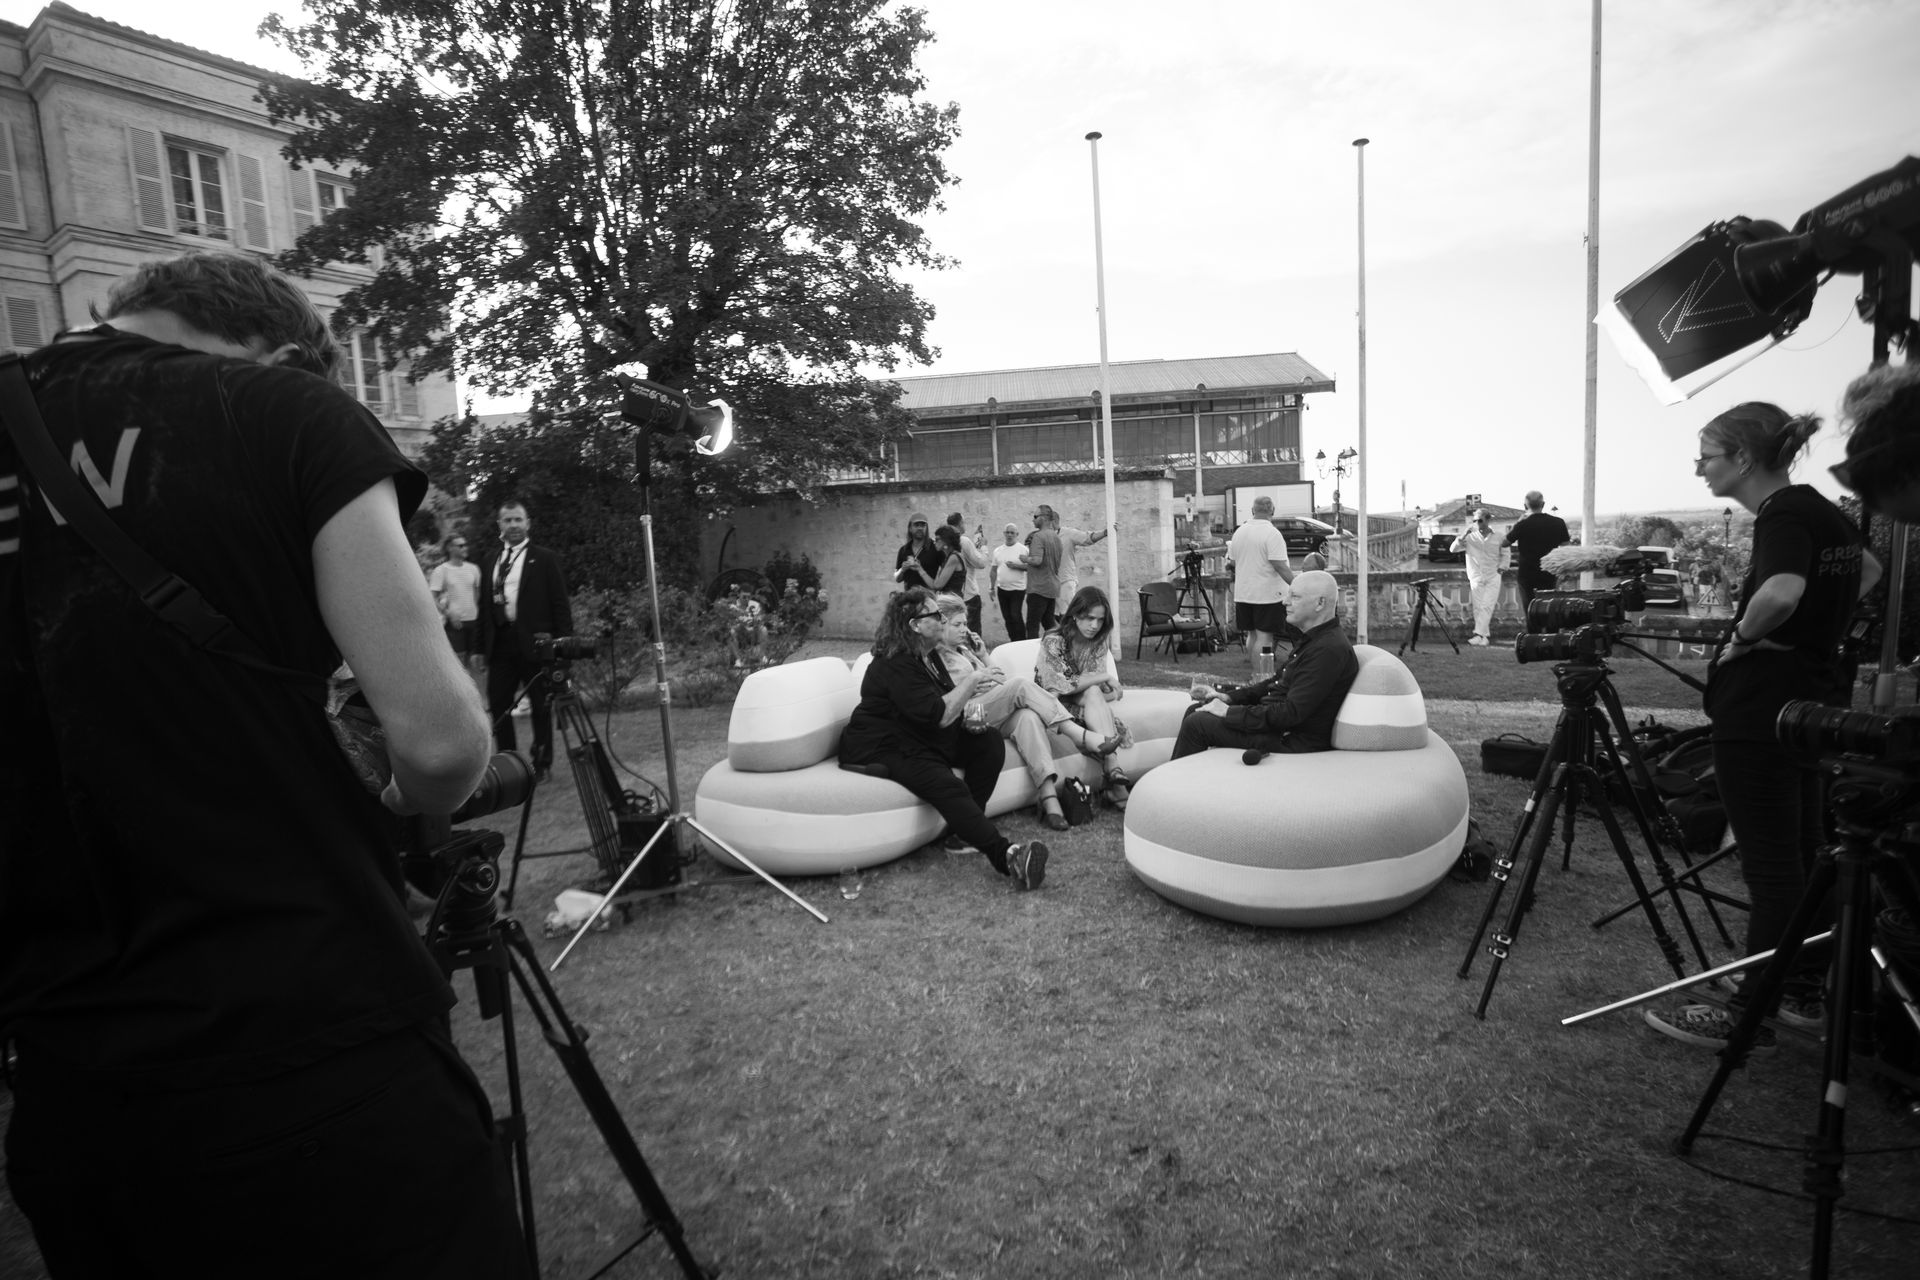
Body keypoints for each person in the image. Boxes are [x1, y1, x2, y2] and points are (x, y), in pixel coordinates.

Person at [0, 251, 524, 1275]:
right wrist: (409, 793)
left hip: (74, 1093)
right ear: (284, 356)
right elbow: (440, 742)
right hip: (312, 1042)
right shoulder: (279, 410)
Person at [1645, 403, 1880, 1053]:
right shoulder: (1820, 508)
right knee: (1806, 855)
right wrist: (1817, 633)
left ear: (1744, 458)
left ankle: (1752, 1013)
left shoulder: (1782, 513)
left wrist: (1743, 639)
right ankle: (1800, 991)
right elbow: (1869, 571)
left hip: (1761, 711)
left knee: (1773, 868)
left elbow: (1779, 592)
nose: (1699, 470)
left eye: (1706, 457)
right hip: (1809, 706)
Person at [837, 589, 1048, 888]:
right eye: (935, 615)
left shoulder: (928, 656)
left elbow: (944, 706)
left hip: (919, 734)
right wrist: (973, 679)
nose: (942, 620)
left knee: (987, 742)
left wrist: (970, 719)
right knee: (947, 784)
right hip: (883, 745)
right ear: (915, 625)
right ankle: (1008, 856)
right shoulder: (895, 663)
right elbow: (940, 715)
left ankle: (963, 835)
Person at [931, 594, 1121, 830]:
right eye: (957, 624)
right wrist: (974, 682)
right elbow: (948, 697)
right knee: (1020, 684)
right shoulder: (935, 657)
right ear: (939, 624)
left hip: (990, 710)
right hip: (969, 714)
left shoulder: (965, 650)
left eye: (964, 624)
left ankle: (1049, 798)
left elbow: (999, 679)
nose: (964, 629)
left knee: (1028, 717)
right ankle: (1078, 735)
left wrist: (983, 657)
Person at [1174, 570, 1358, 760]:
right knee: (1197, 710)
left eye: (1294, 596)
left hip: (1290, 740)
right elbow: (1273, 684)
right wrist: (1228, 697)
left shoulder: (1328, 650)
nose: (1285, 601)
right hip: (1276, 728)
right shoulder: (1315, 641)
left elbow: (1291, 713)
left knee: (1197, 723)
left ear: (1320, 603)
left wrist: (1229, 712)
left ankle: (1176, 779)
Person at [478, 500, 572, 782]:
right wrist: (480, 647)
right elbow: (484, 607)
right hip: (501, 644)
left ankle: (541, 764)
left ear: (528, 523)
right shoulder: (489, 560)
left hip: (536, 644)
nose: (513, 525)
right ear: (500, 525)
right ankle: (509, 766)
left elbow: (560, 605)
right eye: (508, 520)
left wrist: (563, 646)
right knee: (499, 706)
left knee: (541, 705)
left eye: (518, 519)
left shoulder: (544, 558)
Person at [1036, 586, 1134, 810]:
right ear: (1075, 614)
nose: (1095, 625)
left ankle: (1111, 767)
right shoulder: (1054, 641)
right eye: (1089, 618)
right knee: (1092, 694)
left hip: (1082, 700)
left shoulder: (1098, 641)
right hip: (1052, 704)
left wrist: (1100, 684)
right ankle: (1113, 772)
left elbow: (1093, 688)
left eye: (1100, 620)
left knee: (1093, 692)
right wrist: (1104, 677)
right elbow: (1059, 685)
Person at [1226, 495, 1293, 674]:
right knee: (1265, 638)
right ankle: (1263, 676)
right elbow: (1280, 565)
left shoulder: (1239, 532)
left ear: (1252, 511)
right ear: (1272, 511)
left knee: (1252, 634)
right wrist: (1297, 585)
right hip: (1267, 594)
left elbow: (1233, 562)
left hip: (1243, 592)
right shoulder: (1272, 534)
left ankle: (1256, 675)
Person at [1500, 490, 1570, 612]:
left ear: (1525, 506)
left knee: (1531, 608)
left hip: (1527, 574)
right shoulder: (1558, 522)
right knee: (1549, 608)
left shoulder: (1522, 524)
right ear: (1543, 504)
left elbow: (1504, 543)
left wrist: (1518, 523)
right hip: (1549, 571)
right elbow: (1566, 547)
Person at [429, 531, 485, 677]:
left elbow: (479, 595)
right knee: (459, 666)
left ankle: (477, 692)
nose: (465, 548)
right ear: (449, 548)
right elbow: (431, 598)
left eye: (465, 545)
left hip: (475, 622)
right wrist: (449, 614)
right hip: (455, 623)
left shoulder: (474, 568)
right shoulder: (441, 570)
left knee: (477, 663)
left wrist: (482, 617)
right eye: (460, 545)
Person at [1449, 509, 1503, 645]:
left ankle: (1479, 634)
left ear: (1487, 520)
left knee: (1487, 606)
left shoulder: (1499, 536)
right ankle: (1483, 637)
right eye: (1475, 520)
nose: (1477, 523)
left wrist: (1503, 566)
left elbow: (1505, 553)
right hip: (1476, 576)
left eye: (1480, 520)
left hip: (1493, 575)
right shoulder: (1469, 537)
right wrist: (1463, 535)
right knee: (1478, 607)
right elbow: (1453, 549)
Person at [1020, 504, 1065, 637]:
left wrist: (1025, 559)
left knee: (1032, 625)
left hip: (1038, 588)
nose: (1033, 520)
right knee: (1048, 623)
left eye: (1035, 516)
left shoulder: (1038, 536)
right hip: (1052, 587)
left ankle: (1031, 650)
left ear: (1044, 518)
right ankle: (1059, 645)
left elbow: (1037, 560)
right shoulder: (1056, 537)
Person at [946, 511, 991, 634]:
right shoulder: (963, 541)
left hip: (951, 596)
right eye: (964, 522)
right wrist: (983, 547)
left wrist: (975, 546)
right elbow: (981, 563)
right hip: (968, 595)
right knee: (972, 634)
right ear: (960, 523)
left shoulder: (944, 541)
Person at [1056, 512, 1115, 604]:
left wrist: (1105, 532)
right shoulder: (1042, 535)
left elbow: (1087, 537)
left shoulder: (1067, 533)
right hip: (1050, 583)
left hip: (1065, 581)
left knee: (1065, 611)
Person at [989, 521, 1030, 642]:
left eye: (1012, 533)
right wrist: (991, 587)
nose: (1009, 535)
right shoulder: (998, 551)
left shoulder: (1023, 550)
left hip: (1018, 589)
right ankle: (1013, 641)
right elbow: (993, 570)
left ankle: (1021, 641)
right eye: (1007, 532)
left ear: (1017, 534)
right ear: (1004, 534)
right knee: (1007, 617)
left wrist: (1016, 566)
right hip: (1002, 589)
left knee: (1015, 615)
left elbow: (1031, 568)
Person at [892, 511, 942, 588]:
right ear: (910, 528)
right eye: (916, 525)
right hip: (909, 594)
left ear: (926, 528)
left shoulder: (935, 547)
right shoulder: (903, 550)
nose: (920, 528)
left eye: (923, 525)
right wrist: (902, 570)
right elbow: (897, 579)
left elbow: (946, 573)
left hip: (929, 594)